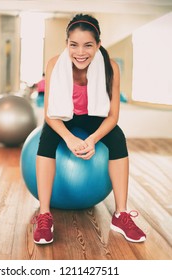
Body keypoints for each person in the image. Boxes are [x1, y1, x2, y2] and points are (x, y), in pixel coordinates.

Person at [33, 14, 146, 244]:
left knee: (117, 138)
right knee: (46, 137)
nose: (80, 52)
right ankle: (44, 214)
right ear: (67, 44)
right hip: (62, 118)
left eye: (88, 45)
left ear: (98, 45)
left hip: (94, 117)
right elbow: (49, 114)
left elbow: (113, 116)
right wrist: (68, 138)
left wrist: (93, 139)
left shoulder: (110, 67)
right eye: (73, 45)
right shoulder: (55, 64)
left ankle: (121, 214)